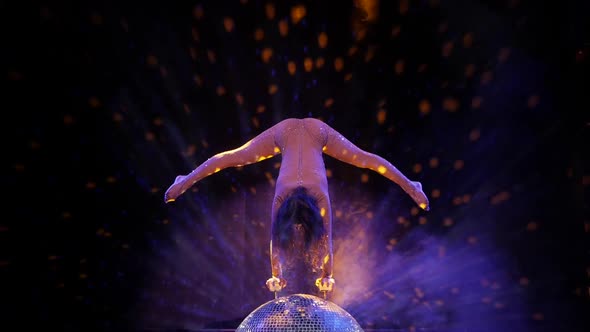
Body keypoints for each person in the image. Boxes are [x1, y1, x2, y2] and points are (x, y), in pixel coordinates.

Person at [164, 118, 429, 295]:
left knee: (365, 160)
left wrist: (289, 275)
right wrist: (315, 276)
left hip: (310, 133)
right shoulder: (289, 198)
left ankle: (412, 185)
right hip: (289, 133)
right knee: (232, 158)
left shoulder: (308, 197)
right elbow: (289, 241)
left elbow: (319, 241)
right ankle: (182, 180)